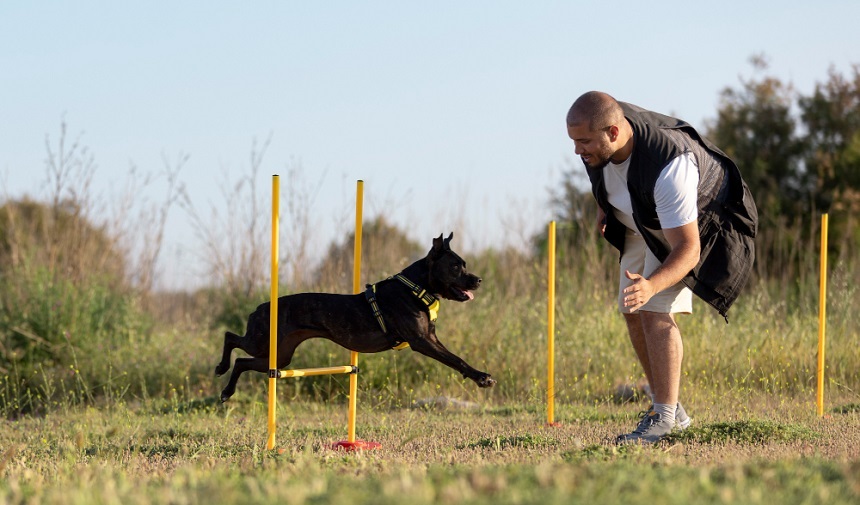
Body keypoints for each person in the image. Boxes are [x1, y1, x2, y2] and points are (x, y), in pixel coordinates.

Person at [566, 91, 757, 444]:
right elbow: (606, 174)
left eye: (584, 142)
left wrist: (652, 285)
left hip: (690, 223)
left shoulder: (670, 168)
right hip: (643, 215)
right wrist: (605, 206)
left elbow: (687, 249)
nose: (578, 150)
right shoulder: (599, 139)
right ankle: (668, 408)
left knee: (653, 307)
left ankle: (665, 420)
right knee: (631, 307)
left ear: (613, 132)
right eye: (573, 141)